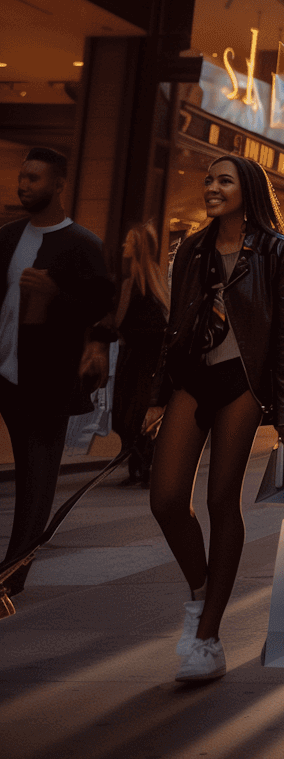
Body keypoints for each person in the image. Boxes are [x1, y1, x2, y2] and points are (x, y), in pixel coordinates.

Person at [147, 154, 284, 682]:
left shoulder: (277, 250)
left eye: (224, 180)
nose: (212, 187)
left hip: (243, 381)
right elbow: (175, 326)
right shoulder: (192, 248)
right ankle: (200, 591)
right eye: (209, 180)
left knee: (221, 499)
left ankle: (208, 636)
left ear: (248, 190)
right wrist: (158, 393)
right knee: (167, 497)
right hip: (194, 378)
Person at [0, 147, 113, 599]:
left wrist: (54, 295)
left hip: (46, 379)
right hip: (3, 371)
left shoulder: (83, 245)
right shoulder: (7, 237)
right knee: (29, 473)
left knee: (36, 475)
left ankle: (14, 570)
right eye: (22, 177)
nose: (24, 185)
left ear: (59, 185)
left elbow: (102, 311)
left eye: (34, 178)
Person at [109, 223, 169, 485]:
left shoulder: (142, 284)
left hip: (143, 363)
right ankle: (139, 464)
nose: (124, 246)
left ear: (139, 247)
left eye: (129, 242)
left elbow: (151, 329)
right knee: (125, 415)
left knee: (133, 415)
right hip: (135, 360)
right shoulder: (138, 282)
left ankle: (141, 466)